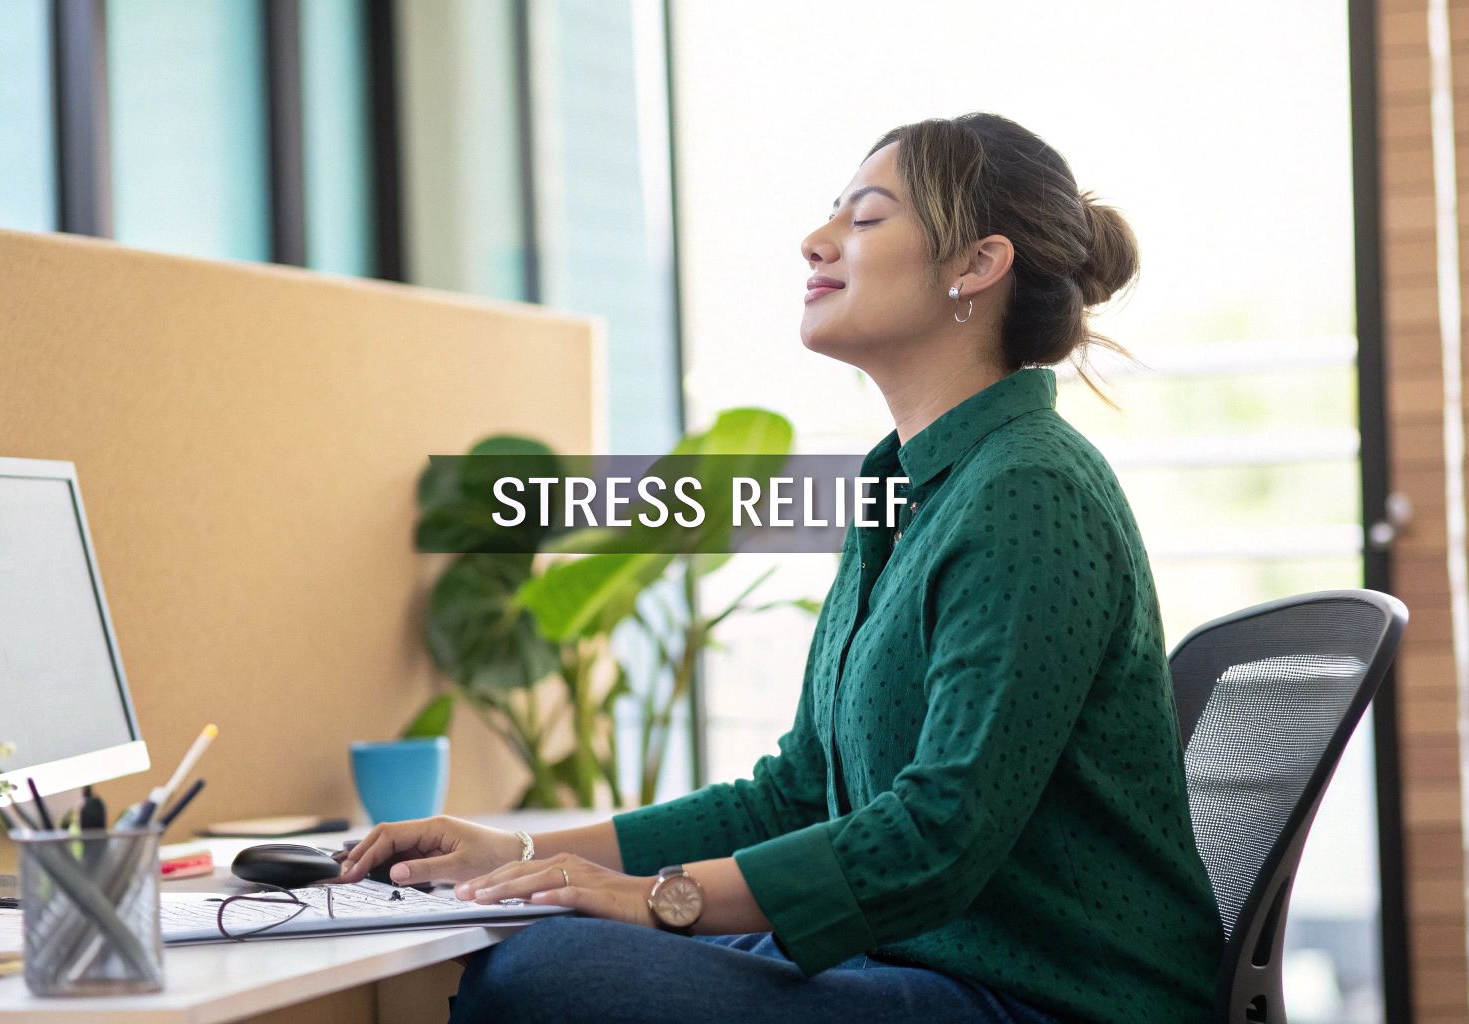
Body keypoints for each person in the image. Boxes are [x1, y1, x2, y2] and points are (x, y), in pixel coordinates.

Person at [337, 112, 1226, 1024]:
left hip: (1049, 1000)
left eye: (867, 219)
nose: (816, 240)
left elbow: (939, 834)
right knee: (542, 950)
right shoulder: (902, 491)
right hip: (913, 964)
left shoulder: (1030, 489)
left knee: (549, 976)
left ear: (976, 266)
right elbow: (798, 790)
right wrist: (518, 850)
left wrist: (659, 897)